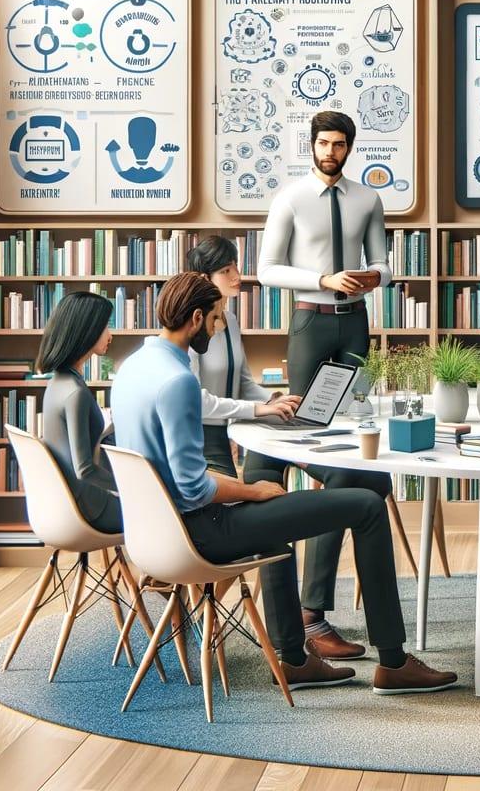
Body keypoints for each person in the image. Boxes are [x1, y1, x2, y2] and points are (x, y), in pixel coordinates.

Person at [112, 272, 457, 694]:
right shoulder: (178, 381)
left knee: (275, 517)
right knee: (367, 503)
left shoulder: (133, 368)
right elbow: (193, 489)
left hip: (152, 533)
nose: (219, 328)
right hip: (200, 531)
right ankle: (394, 662)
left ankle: (293, 659)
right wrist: (252, 491)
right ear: (197, 317)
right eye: (217, 320)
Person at [255, 111, 398, 660]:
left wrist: (370, 277)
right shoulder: (290, 198)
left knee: (354, 451)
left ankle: (314, 615)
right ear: (310, 145)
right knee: (312, 436)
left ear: (350, 147)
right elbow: (267, 268)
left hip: (355, 321)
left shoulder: (367, 199)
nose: (330, 151)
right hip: (311, 321)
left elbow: (384, 262)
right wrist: (322, 278)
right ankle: (311, 618)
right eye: (322, 142)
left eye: (339, 144)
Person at [184, 235, 301, 479]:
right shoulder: (193, 326)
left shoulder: (233, 322)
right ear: (206, 279)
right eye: (226, 270)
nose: (237, 275)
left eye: (235, 265)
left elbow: (244, 383)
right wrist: (259, 409)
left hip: (230, 429)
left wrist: (278, 400)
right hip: (200, 437)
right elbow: (194, 400)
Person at [35, 291, 122, 534]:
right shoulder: (76, 393)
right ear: (88, 330)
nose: (110, 335)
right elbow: (84, 469)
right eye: (105, 327)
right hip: (90, 508)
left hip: (66, 502)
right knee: (166, 508)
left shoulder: (57, 382)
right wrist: (130, 486)